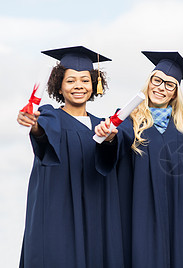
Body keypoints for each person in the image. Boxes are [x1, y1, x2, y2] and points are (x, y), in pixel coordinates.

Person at [94, 51, 183, 268]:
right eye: (157, 80)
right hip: (139, 219)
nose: (161, 87)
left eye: (169, 85)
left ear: (175, 93)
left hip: (179, 220)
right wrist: (110, 137)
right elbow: (112, 153)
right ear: (148, 83)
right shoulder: (128, 122)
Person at [17, 46, 124, 267]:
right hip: (58, 216)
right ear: (59, 85)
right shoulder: (50, 116)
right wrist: (34, 125)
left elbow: (108, 161)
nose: (78, 86)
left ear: (94, 84)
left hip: (94, 217)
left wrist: (111, 139)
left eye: (85, 80)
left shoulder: (102, 125)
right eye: (71, 80)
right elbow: (43, 136)